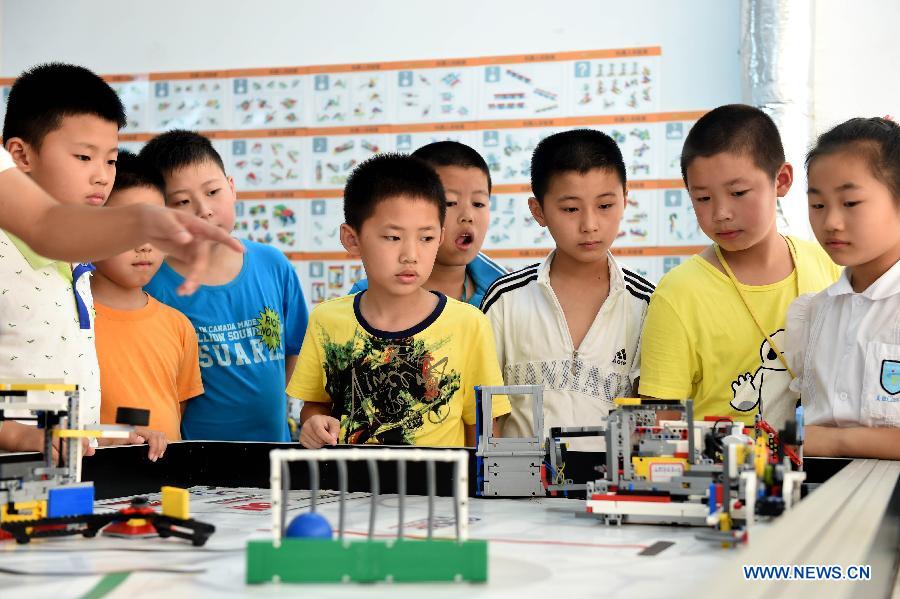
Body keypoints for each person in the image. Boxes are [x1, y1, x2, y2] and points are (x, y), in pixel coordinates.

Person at [290, 153, 510, 448]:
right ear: (352, 238)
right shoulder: (326, 320)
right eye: (393, 238)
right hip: (349, 489)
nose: (411, 254)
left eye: (426, 238)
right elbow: (315, 405)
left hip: (439, 492)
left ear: (441, 236)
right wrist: (313, 423)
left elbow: (482, 427)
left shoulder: (469, 324)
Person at [638, 104, 840, 424]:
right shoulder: (679, 292)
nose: (721, 213)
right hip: (722, 470)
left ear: (782, 180)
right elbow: (660, 421)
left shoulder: (831, 266)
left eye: (738, 192)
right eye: (702, 198)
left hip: (824, 465)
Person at [481, 129, 649, 449]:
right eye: (571, 209)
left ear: (625, 201)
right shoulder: (505, 301)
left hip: (610, 493)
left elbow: (653, 417)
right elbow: (487, 413)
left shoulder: (647, 304)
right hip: (517, 493)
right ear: (539, 211)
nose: (590, 224)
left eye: (605, 205)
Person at [141, 130, 308, 441]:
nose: (203, 210)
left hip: (276, 450)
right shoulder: (152, 284)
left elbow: (296, 349)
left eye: (213, 192)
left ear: (232, 188)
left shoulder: (273, 264)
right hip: (196, 460)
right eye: (182, 201)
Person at [778, 117, 900, 458]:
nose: (830, 222)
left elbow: (817, 436)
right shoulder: (813, 313)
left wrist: (834, 441)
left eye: (850, 203)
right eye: (818, 205)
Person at [93, 151, 204, 456]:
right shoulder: (68, 320)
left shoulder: (177, 325)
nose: (144, 245)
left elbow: (176, 411)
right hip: (95, 486)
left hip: (167, 488)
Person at [349, 141, 506, 307]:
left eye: (478, 204)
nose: (467, 216)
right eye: (450, 203)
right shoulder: (366, 298)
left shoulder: (506, 293)